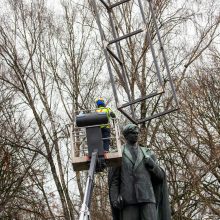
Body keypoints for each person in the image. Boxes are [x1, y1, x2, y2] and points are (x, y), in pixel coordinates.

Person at [108, 124, 171, 220]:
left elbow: (160, 177)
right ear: (126, 136)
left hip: (147, 198)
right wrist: (115, 198)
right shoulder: (119, 153)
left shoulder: (147, 153)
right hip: (128, 200)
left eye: (137, 133)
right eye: (133, 133)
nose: (136, 134)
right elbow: (114, 180)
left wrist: (152, 165)